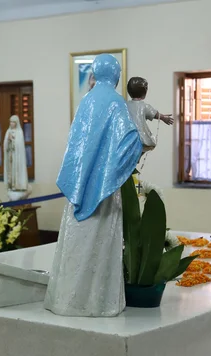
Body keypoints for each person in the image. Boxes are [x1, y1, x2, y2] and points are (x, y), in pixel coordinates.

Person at [44, 54, 142, 317]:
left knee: (75, 241)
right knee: (101, 239)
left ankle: (66, 300)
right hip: (104, 192)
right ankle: (98, 303)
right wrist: (138, 145)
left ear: (96, 74)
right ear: (116, 75)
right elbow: (128, 141)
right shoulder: (115, 102)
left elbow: (75, 145)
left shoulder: (86, 101)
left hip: (79, 187)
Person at [126, 77, 174, 154]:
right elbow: (155, 114)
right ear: (144, 93)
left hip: (129, 136)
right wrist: (163, 118)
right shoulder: (144, 106)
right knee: (141, 148)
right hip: (141, 136)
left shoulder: (126, 105)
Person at [3, 115, 29, 193]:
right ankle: (11, 184)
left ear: (16, 123)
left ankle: (17, 185)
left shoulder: (19, 132)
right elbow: (5, 145)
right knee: (10, 170)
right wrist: (8, 139)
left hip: (17, 156)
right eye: (10, 122)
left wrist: (13, 140)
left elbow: (19, 144)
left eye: (13, 122)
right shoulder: (8, 131)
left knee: (16, 170)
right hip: (10, 155)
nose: (12, 123)